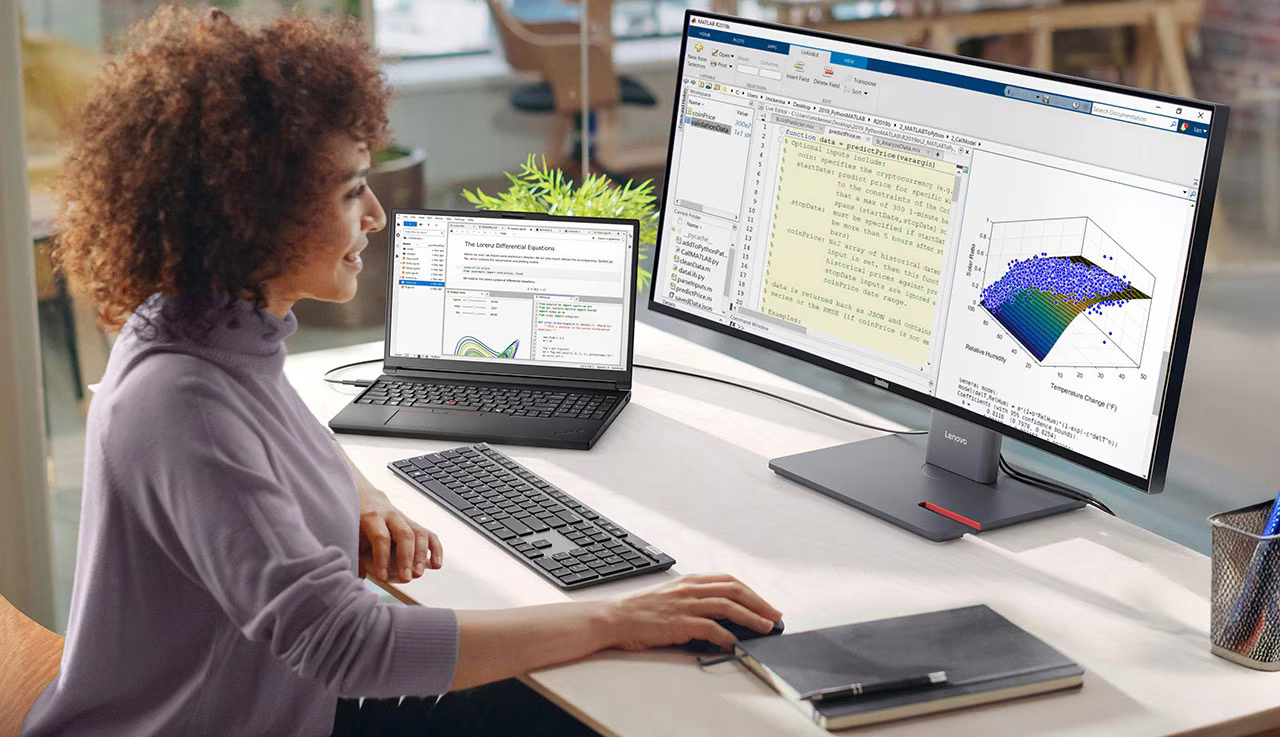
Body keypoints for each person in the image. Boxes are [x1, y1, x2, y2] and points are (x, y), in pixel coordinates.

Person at [22, 8, 782, 737]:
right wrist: (617, 617)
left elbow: (277, 426)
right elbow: (347, 645)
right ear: (253, 212)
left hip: (279, 712)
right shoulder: (182, 399)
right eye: (352, 190)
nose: (377, 216)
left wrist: (365, 495)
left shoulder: (207, 326)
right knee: (591, 701)